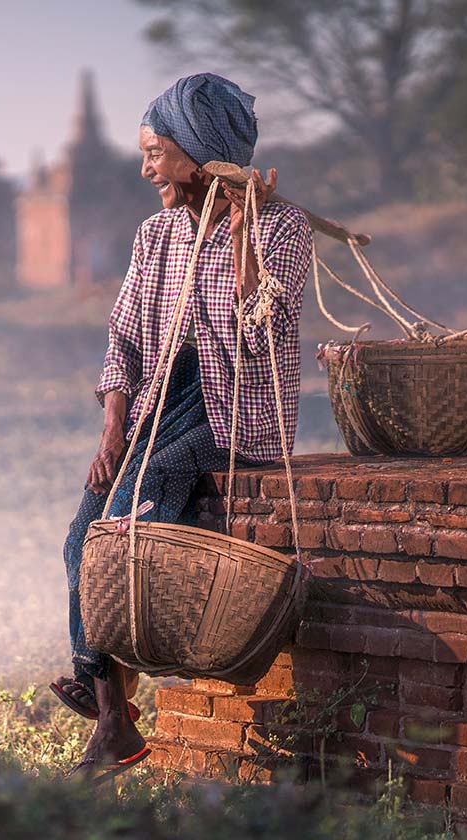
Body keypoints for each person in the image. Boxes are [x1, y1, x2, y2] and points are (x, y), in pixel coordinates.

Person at [51, 73, 313, 780]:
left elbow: (259, 333)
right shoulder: (156, 233)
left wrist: (241, 234)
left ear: (200, 157)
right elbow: (125, 340)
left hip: (230, 411)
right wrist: (111, 430)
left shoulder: (281, 228)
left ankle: (117, 694)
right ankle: (112, 714)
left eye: (155, 153)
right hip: (154, 408)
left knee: (146, 501)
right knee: (82, 537)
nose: (146, 169)